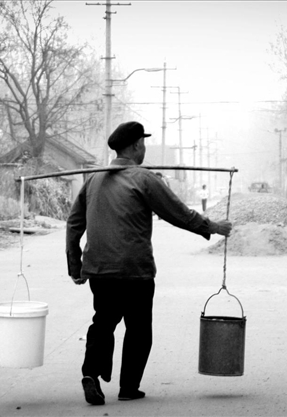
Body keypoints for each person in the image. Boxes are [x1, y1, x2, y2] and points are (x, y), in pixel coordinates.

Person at [66, 121, 233, 406]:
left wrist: (75, 265)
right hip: (135, 271)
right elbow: (177, 212)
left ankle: (91, 374)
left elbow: (74, 223)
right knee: (139, 329)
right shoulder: (143, 178)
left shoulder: (93, 179)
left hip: (100, 271)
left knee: (103, 323)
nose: (144, 148)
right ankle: (128, 386)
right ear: (135, 146)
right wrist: (213, 226)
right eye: (143, 143)